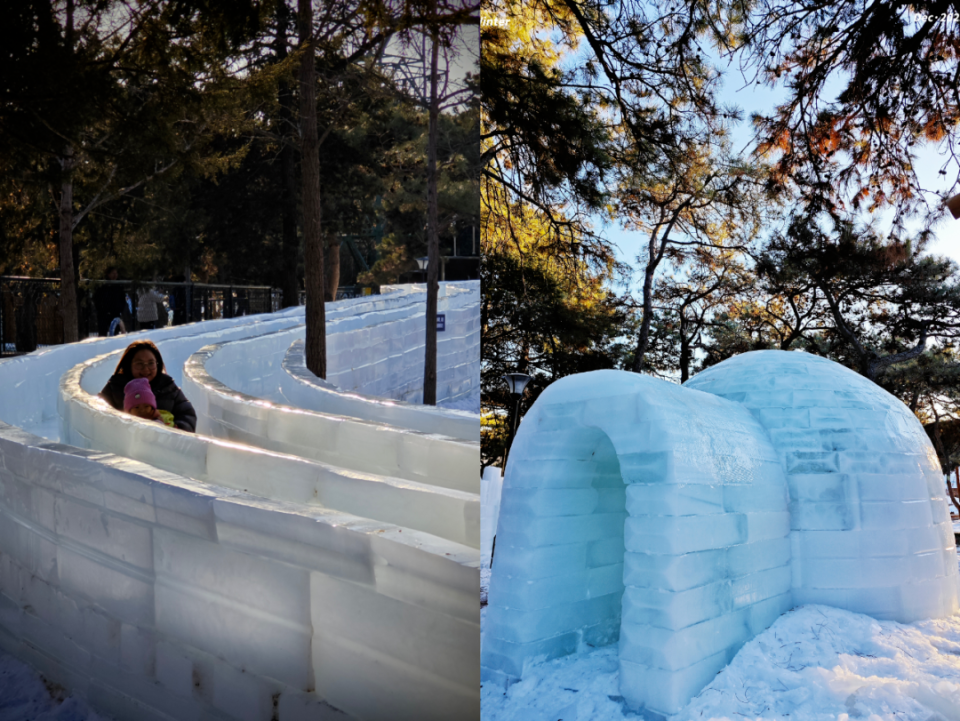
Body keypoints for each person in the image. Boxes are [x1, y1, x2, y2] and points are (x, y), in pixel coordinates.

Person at [99, 340, 197, 432]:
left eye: (151, 363)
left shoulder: (168, 387)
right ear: (129, 365)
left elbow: (187, 413)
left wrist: (178, 429)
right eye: (139, 364)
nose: (146, 369)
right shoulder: (115, 387)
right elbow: (99, 412)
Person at [93, 267, 127, 337]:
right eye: (113, 273)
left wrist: (120, 309)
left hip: (115, 313)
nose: (115, 275)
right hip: (103, 313)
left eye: (116, 273)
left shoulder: (119, 284)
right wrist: (100, 308)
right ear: (108, 274)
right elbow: (96, 298)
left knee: (116, 333)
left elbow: (122, 299)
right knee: (102, 333)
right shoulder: (102, 284)